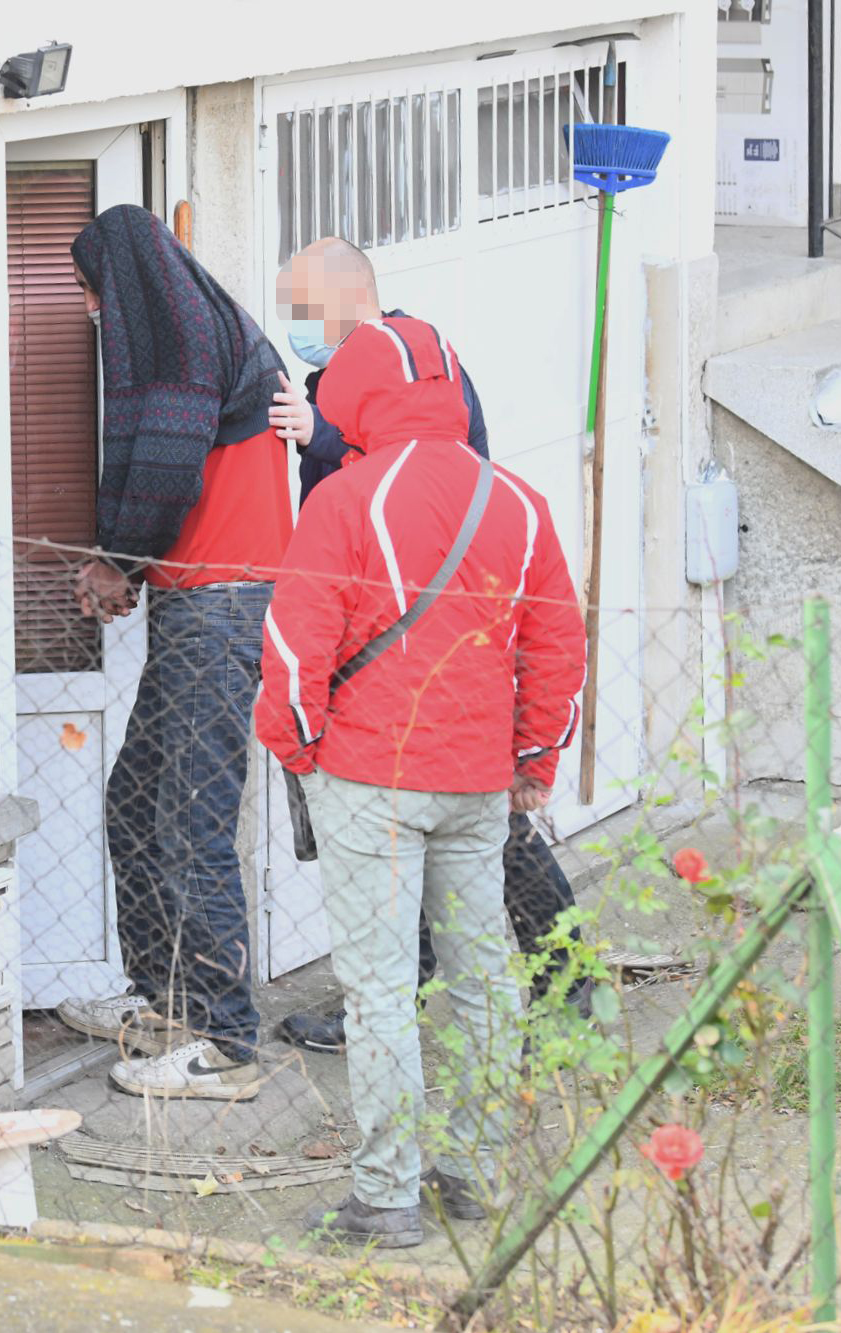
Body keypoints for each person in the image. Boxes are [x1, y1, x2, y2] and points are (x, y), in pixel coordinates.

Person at [256, 239, 586, 1247]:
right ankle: (473, 1169)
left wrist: (298, 747)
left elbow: (291, 643)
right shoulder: (516, 501)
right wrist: (532, 762)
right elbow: (557, 645)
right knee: (483, 976)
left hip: (368, 776)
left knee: (380, 990)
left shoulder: (344, 500)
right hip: (477, 780)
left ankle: (386, 1194)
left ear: (357, 393)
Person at [53, 204, 292, 1101]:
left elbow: (165, 466)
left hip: (222, 610)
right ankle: (168, 998)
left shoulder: (190, 352)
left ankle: (227, 1042)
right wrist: (125, 563)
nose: (88, 311)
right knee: (137, 800)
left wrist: (117, 559)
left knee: (190, 820)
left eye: (89, 291)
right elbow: (168, 466)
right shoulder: (209, 337)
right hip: (202, 603)